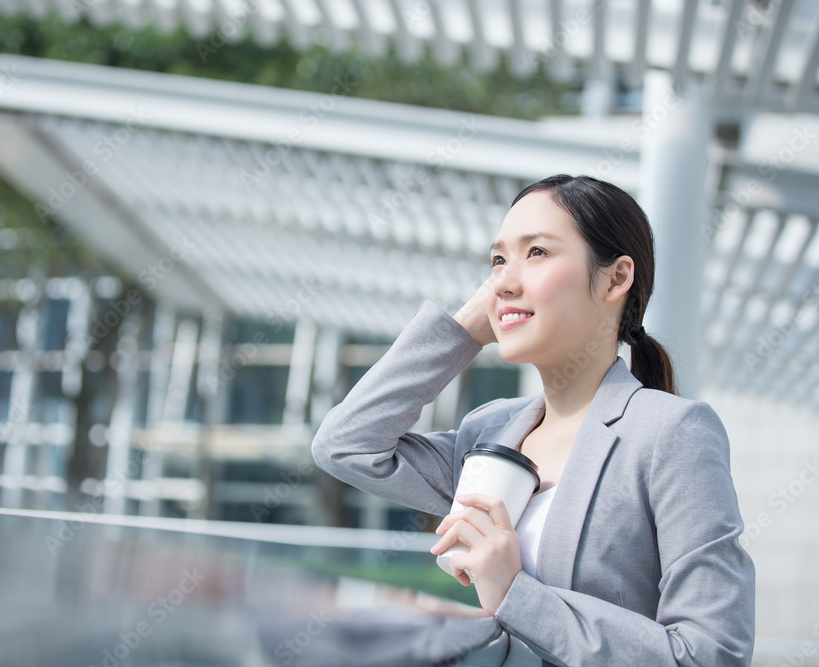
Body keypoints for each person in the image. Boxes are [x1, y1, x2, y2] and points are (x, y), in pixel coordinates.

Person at [310, 174, 756, 666]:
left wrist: (514, 594)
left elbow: (711, 656)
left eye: (537, 252)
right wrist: (463, 331)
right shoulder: (490, 430)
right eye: (498, 260)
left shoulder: (670, 433)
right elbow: (345, 445)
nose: (502, 280)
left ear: (616, 277)